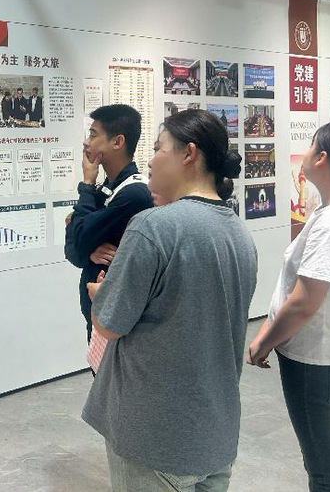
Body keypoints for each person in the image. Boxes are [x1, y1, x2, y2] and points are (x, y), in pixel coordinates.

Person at [82, 109, 256, 491]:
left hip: (155, 437)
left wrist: (101, 294)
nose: (150, 159)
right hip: (215, 433)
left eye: (159, 148)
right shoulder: (239, 234)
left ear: (188, 154)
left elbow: (108, 323)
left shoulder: (153, 227)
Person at [248, 119, 330, 492]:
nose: (306, 153)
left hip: (318, 362)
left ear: (322, 158)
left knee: (326, 472)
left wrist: (263, 341)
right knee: (324, 463)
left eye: (311, 145)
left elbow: (305, 301)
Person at [64, 105, 153, 343]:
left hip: (119, 321)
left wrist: (86, 184)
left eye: (93, 135)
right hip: (99, 315)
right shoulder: (107, 188)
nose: (86, 142)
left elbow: (78, 236)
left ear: (117, 142)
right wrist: (89, 253)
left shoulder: (134, 194)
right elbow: (72, 249)